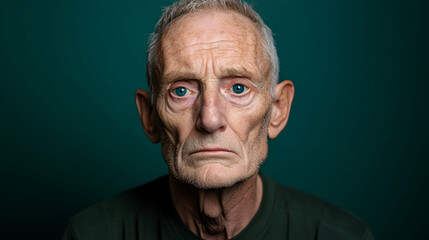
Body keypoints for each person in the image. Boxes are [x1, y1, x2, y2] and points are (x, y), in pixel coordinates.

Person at [62, 0, 374, 239]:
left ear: (277, 109)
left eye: (239, 88)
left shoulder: (341, 236)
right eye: (181, 90)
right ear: (150, 116)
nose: (210, 119)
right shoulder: (89, 234)